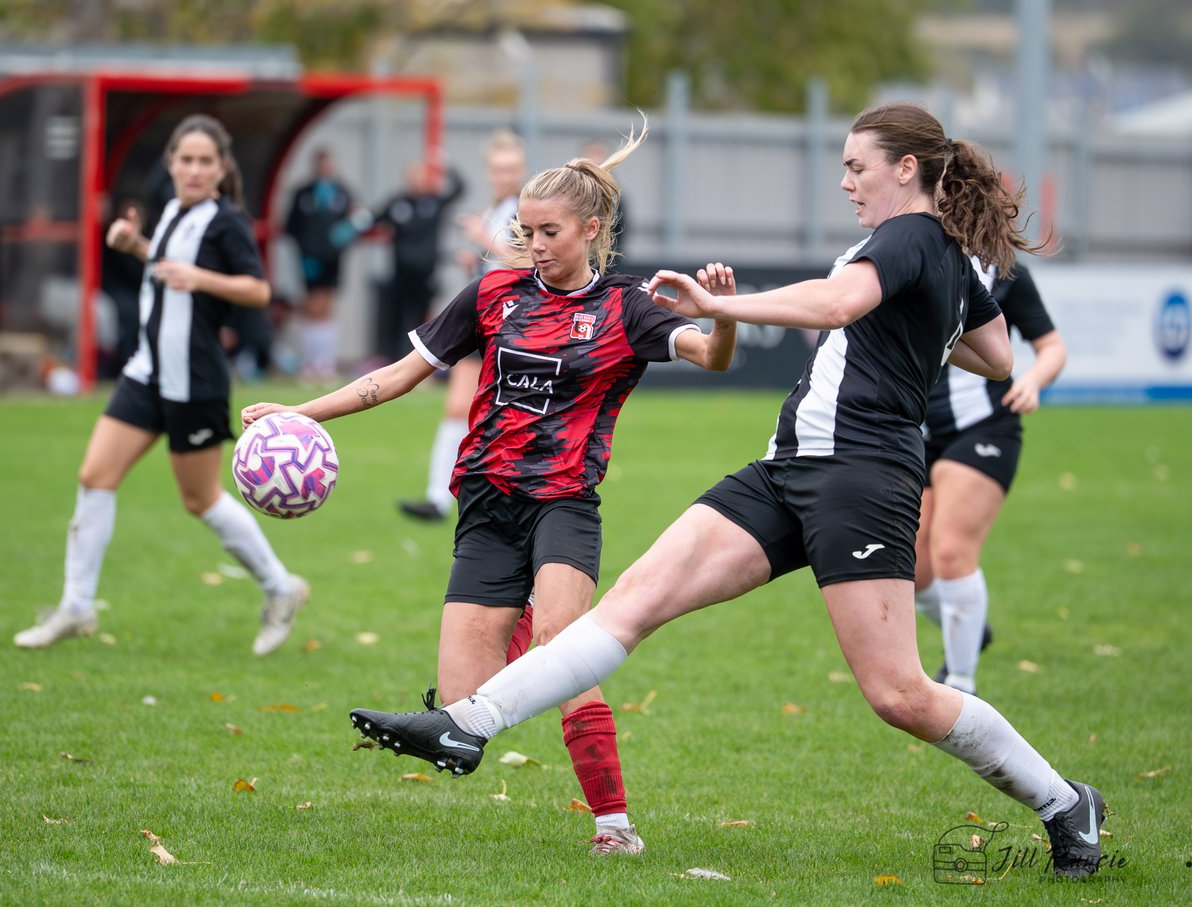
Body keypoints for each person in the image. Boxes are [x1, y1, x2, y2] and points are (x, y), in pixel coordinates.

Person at [347, 102, 1108, 879]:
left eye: (856, 165)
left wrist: (720, 306)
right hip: (788, 466)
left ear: (904, 168)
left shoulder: (911, 234)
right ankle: (465, 722)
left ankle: (1063, 801)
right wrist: (926, 331)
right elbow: (994, 352)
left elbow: (838, 304)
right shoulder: (930, 246)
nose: (845, 180)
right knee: (632, 603)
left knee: (900, 693)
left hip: (861, 475)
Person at [243, 121, 738, 855]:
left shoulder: (627, 306)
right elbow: (393, 378)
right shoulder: (494, 292)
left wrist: (722, 315)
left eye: (549, 231)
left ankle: (614, 828)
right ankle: (529, 638)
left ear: (591, 228)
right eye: (526, 230)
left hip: (564, 503)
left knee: (566, 649)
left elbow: (711, 356)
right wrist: (298, 411)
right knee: (459, 706)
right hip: (485, 503)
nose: (535, 244)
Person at [13, 114, 308, 655]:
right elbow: (172, 267)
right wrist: (136, 245)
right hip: (146, 372)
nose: (194, 170)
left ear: (222, 170)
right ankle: (76, 606)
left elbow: (258, 291)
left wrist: (201, 279)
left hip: (193, 381)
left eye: (205, 161)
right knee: (94, 476)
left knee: (200, 499)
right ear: (171, 163)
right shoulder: (173, 210)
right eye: (185, 159)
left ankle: (279, 587)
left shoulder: (226, 222)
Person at [915, 262, 1067, 694]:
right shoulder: (915, 258)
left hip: (986, 426)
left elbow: (1052, 346)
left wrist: (1036, 380)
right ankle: (969, 626)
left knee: (951, 552)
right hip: (921, 431)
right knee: (913, 568)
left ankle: (960, 686)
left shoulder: (1006, 273)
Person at [398, 130, 529, 522]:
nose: (504, 175)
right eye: (498, 168)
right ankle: (438, 497)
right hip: (486, 316)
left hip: (515, 322)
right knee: (458, 407)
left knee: (506, 414)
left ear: (521, 169)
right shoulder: (498, 206)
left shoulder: (526, 210)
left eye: (511, 168)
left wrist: (485, 240)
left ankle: (497, 495)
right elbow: (500, 260)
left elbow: (528, 262)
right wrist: (475, 257)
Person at [284, 148, 368, 382]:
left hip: (334, 258)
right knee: (311, 306)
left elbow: (360, 218)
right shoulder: (303, 193)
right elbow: (291, 225)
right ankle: (310, 363)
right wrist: (307, 246)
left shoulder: (343, 192)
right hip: (309, 257)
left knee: (328, 305)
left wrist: (345, 234)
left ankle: (325, 363)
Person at [372, 158, 465, 363]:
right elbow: (372, 219)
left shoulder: (433, 202)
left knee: (422, 320)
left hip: (426, 275)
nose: (415, 181)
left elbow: (459, 188)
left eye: (419, 176)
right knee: (397, 319)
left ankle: (421, 364)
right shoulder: (397, 203)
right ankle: (393, 361)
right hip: (400, 275)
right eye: (412, 177)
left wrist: (445, 165)